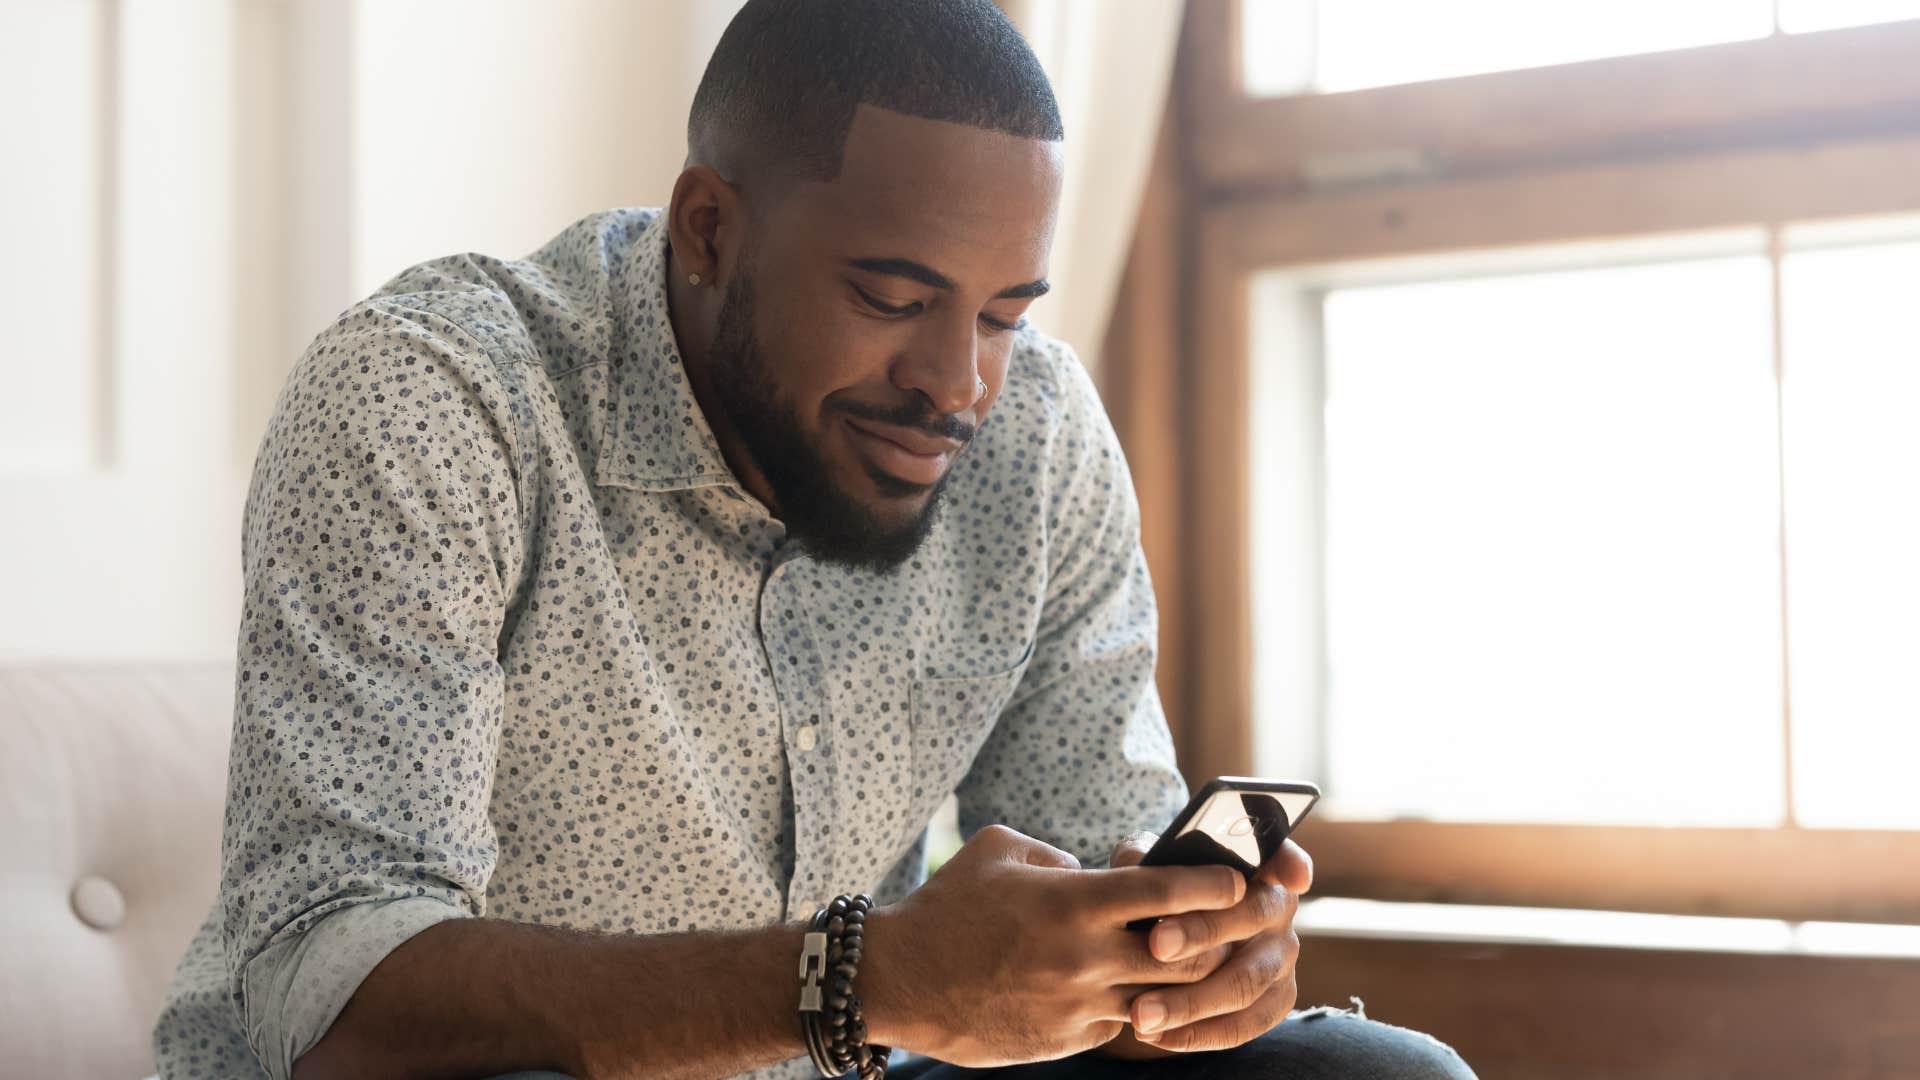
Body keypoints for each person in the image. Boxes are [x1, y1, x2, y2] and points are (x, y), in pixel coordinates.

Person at [152, 2, 1474, 1077]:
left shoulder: (1037, 438)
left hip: (859, 1062)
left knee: (1374, 1079)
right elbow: (330, 1006)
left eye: (1005, 313)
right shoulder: (434, 400)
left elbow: (1099, 864)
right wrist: (856, 980)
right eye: (895, 298)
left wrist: (1187, 966)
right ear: (711, 228)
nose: (958, 382)